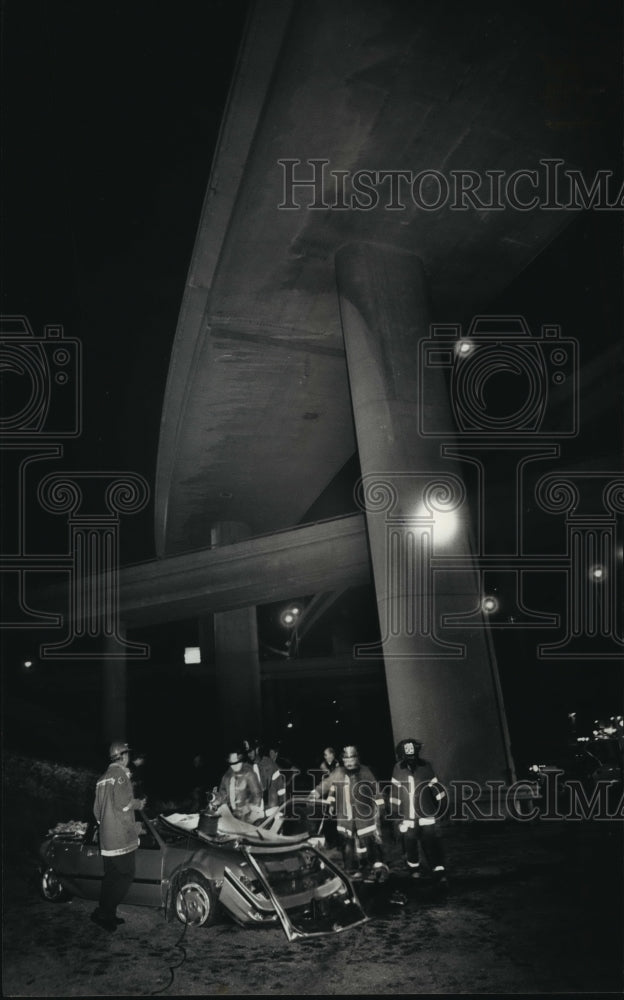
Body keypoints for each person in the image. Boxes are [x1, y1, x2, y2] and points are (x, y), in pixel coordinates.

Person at [91, 740, 146, 932]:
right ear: (122, 756)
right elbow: (124, 804)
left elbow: (97, 812)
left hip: (106, 840)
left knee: (111, 877)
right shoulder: (121, 775)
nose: (129, 757)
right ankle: (104, 913)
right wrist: (139, 804)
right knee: (126, 876)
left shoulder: (102, 779)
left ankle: (106, 913)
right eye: (127, 754)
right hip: (120, 839)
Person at [314, 744, 387, 880]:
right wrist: (317, 794)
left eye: (352, 759)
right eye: (346, 759)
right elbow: (329, 785)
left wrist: (380, 808)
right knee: (347, 845)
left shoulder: (365, 772)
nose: (349, 762)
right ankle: (351, 870)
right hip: (345, 817)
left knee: (369, 841)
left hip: (364, 816)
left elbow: (376, 790)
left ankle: (375, 867)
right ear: (343, 760)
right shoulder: (338, 772)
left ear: (357, 759)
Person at [390, 737, 447, 882]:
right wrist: (395, 813)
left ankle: (438, 869)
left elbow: (437, 788)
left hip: (427, 814)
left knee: (431, 841)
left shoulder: (426, 767)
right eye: (407, 756)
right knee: (410, 843)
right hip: (408, 817)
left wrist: (443, 805)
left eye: (413, 755)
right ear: (402, 755)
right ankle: (414, 870)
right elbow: (395, 793)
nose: (411, 759)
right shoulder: (398, 769)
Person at [218, 749, 264, 823]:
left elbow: (257, 795)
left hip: (247, 816)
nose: (234, 766)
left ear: (241, 760)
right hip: (231, 816)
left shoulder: (249, 773)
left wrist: (251, 814)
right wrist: (218, 800)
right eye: (232, 763)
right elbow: (222, 793)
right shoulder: (227, 776)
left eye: (237, 763)